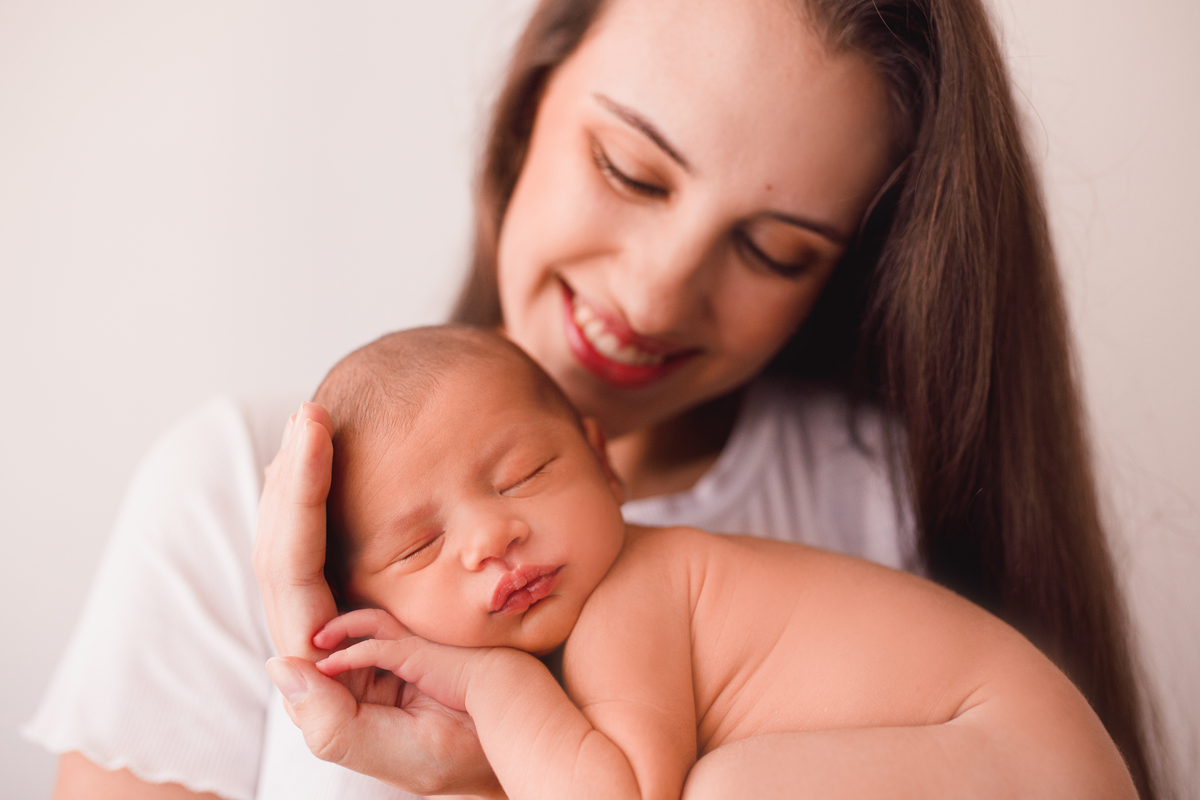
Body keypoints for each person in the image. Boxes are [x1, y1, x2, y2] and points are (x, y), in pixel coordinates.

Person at [27, 0, 1163, 798]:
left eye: (772, 248)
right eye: (630, 169)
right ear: (527, 107)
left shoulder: (858, 502)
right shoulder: (240, 486)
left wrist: (477, 706)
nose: (657, 290)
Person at [268, 324, 1135, 800]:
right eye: (420, 546)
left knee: (724, 793)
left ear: (605, 463)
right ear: (363, 609)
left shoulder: (634, 592)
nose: (492, 537)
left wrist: (493, 689)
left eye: (524, 475)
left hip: (1019, 761)